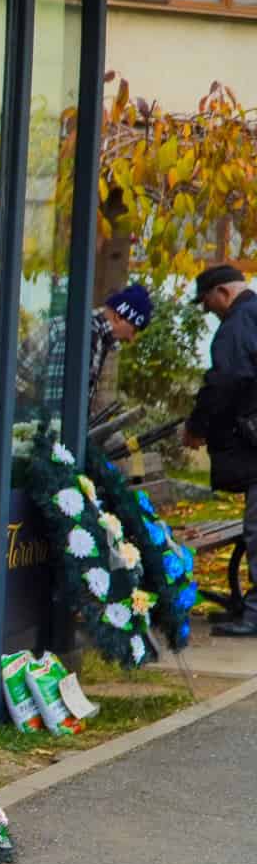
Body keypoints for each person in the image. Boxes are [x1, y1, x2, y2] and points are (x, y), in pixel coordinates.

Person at [184, 264, 257, 636]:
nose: (208, 311)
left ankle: (254, 615)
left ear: (223, 293)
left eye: (207, 303)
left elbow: (225, 382)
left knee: (256, 530)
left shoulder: (236, 327)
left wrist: (198, 426)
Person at [87, 282, 154, 399]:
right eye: (134, 331)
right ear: (118, 317)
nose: (131, 339)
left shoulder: (97, 335)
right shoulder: (88, 334)